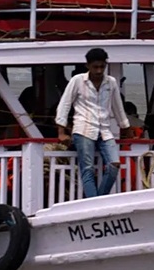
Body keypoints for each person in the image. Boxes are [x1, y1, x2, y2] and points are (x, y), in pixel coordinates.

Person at [55, 47, 132, 198]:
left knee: (114, 165)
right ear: (88, 65)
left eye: (102, 67)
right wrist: (61, 132)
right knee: (87, 169)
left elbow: (118, 107)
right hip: (83, 128)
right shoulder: (77, 81)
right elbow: (65, 104)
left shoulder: (111, 82)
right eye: (95, 67)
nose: (99, 70)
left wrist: (126, 127)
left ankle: (97, 200)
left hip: (104, 130)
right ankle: (96, 201)